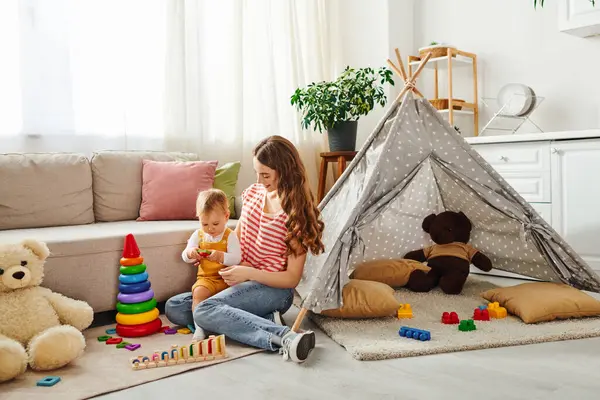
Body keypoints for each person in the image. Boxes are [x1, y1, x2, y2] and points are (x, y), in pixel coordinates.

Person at [165, 135, 325, 363]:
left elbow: (291, 279)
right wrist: (213, 255)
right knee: (175, 307)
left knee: (203, 310)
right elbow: (235, 239)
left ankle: (286, 338)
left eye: (266, 175)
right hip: (241, 280)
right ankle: (266, 318)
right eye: (256, 172)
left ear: (285, 170)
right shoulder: (252, 194)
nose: (259, 181)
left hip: (273, 289)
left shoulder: (295, 213)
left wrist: (248, 273)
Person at [181, 188, 241, 341]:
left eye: (215, 223)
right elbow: (185, 255)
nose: (210, 228)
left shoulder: (230, 236)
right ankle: (200, 327)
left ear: (226, 216)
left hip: (227, 279)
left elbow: (237, 258)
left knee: (234, 300)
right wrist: (190, 253)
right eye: (204, 223)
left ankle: (227, 322)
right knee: (198, 293)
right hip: (206, 279)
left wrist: (221, 256)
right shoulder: (198, 234)